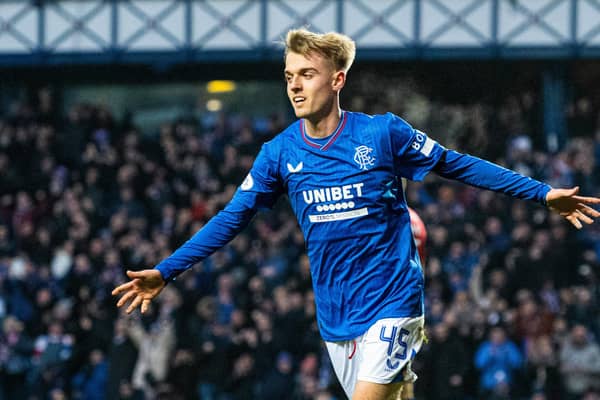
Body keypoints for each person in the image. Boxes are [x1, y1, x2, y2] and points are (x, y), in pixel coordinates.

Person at [112, 28, 600, 400]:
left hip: (393, 303)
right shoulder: (278, 154)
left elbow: (457, 164)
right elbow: (230, 218)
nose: (295, 87)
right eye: (288, 76)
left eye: (306, 74)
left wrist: (542, 194)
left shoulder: (382, 134)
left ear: (337, 79)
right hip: (336, 319)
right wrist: (165, 271)